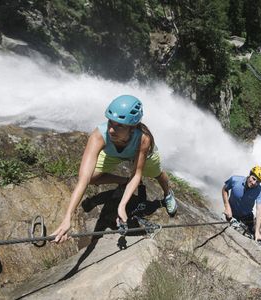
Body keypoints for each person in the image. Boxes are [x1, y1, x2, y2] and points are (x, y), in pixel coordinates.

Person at [52, 95, 177, 243]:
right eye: (110, 122)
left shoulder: (143, 138)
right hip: (113, 153)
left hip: (141, 154)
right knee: (91, 177)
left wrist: (122, 206)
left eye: (119, 126)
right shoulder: (99, 135)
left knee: (156, 173)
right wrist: (68, 218)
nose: (111, 129)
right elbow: (83, 180)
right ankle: (124, 181)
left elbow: (137, 174)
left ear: (132, 127)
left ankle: (168, 193)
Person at [222, 166, 261, 243]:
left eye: (258, 182)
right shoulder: (235, 180)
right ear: (250, 174)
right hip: (231, 214)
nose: (254, 183)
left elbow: (259, 209)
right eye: (253, 178)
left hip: (247, 217)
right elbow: (225, 189)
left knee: (253, 236)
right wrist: (227, 206)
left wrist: (257, 231)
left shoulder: (260, 191)